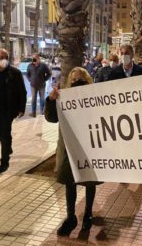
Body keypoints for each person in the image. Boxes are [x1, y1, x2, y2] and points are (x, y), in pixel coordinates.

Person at [45, 67, 100, 236]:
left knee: (90, 181)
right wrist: (52, 100)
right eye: (74, 80)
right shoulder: (64, 96)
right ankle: (70, 217)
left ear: (88, 80)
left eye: (81, 80)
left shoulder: (95, 96)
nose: (77, 83)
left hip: (88, 145)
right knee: (70, 181)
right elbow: (52, 118)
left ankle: (88, 214)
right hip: (69, 146)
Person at [108, 45, 142, 188]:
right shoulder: (114, 72)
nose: (124, 55)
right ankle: (124, 174)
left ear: (132, 54)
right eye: (122, 53)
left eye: (127, 53)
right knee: (124, 147)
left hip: (139, 115)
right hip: (121, 116)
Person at [0, 48, 27, 173]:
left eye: (5, 58)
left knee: (5, 134)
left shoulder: (15, 73)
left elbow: (22, 92)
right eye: (0, 58)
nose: (3, 61)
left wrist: (22, 108)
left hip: (8, 110)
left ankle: (4, 161)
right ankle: (8, 147)